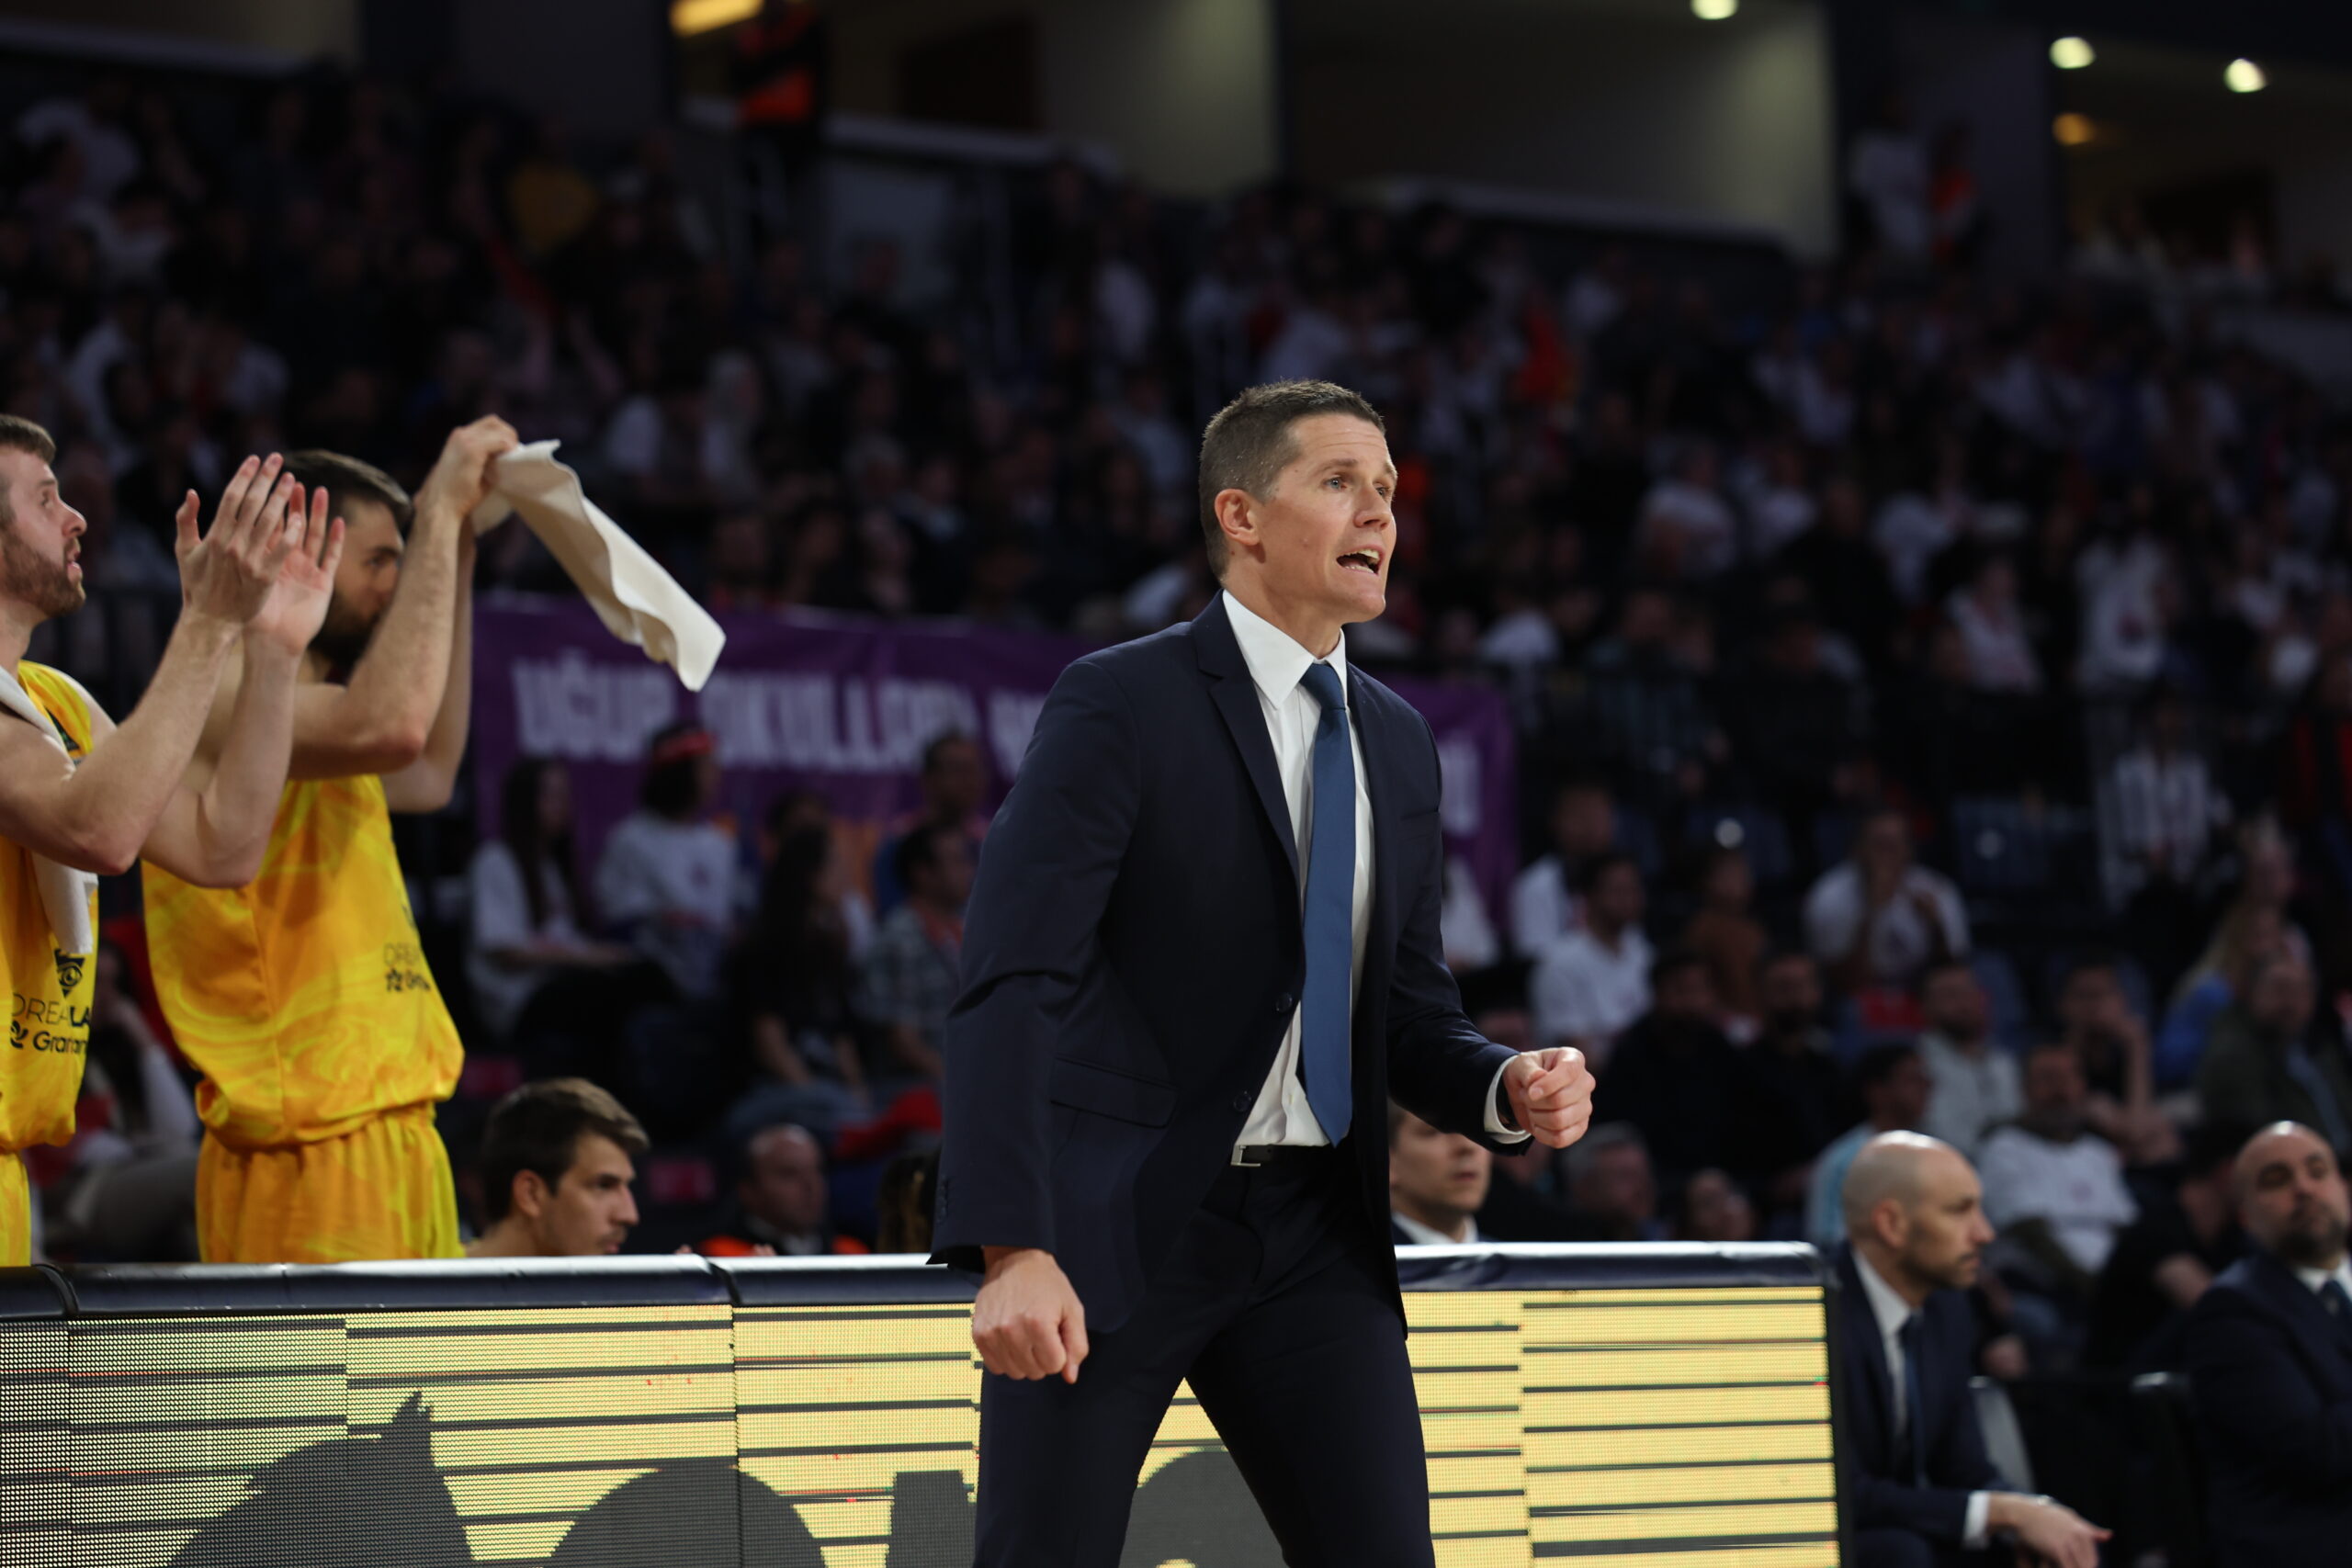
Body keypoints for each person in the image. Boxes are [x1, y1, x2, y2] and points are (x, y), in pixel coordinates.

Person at [933, 380, 1594, 1567]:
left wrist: (1502, 1086)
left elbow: (1407, 1007)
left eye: (1386, 489)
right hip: (1116, 1224)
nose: (1379, 514)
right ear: (1240, 515)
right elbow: (1011, 979)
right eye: (1340, 483)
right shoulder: (1120, 699)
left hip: (1315, 1230)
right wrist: (1010, 1244)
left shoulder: (1399, 737)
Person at [144, 418, 518, 1264]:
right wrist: (439, 512)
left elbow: (431, 766)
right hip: (305, 1147)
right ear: (299, 550)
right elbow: (392, 725)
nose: (396, 584)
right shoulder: (225, 688)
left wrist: (455, 547)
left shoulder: (322, 721)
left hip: (394, 1127)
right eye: (380, 560)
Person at [1, 423, 338, 1266]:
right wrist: (206, 622)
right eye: (45, 498)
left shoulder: (58, 702)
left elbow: (223, 847)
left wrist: (269, 650)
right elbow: (101, 833)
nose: (78, 517)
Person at [1833, 1132, 2110, 1568]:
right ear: (1891, 1224)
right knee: (1901, 1553)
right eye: (1959, 1211)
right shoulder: (1812, 1318)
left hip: (1901, 1527)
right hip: (1823, 1541)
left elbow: (1965, 1469)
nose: (1985, 1233)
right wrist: (2005, 1513)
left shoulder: (1949, 1307)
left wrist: (2034, 1514)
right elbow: (1841, 1493)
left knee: (2054, 1545)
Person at [2186, 1122, 2352, 1568]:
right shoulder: (2231, 1311)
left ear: (2344, 1188)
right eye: (2277, 1180)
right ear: (2244, 1214)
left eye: (2317, 1171)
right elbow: (2321, 1451)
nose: (2304, 1188)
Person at [466, 756, 643, 1045]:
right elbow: (505, 951)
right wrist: (587, 957)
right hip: (517, 1000)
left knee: (636, 979)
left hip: (558, 987)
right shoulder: (496, 861)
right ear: (524, 801)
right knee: (605, 993)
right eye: (551, 795)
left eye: (565, 795)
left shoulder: (552, 866)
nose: (562, 806)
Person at [1978, 1042, 2138, 1313]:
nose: (2061, 1090)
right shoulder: (2003, 1147)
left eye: (2069, 1077)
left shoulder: (2098, 1152)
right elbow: (2032, 1236)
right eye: (2048, 1078)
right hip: (2045, 1287)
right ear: (2025, 1088)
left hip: (2110, 1287)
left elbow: (2126, 1228)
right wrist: (2097, 1289)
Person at [594, 719, 738, 1003]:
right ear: (681, 773)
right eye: (706, 766)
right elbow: (621, 926)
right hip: (652, 990)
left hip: (714, 986)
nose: (716, 775)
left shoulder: (719, 844)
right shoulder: (632, 840)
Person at [2086, 1122, 2244, 1371]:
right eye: (2271, 1177)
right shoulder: (2156, 1229)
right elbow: (2212, 1306)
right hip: (2119, 1384)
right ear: (2228, 1172)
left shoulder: (2230, 1238)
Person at [466, 1077, 649, 1258]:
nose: (629, 1215)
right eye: (603, 1186)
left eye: (627, 1187)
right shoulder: (447, 1275)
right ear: (531, 1194)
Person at [1602, 950, 1744, 1184]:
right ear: (1657, 994)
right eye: (1681, 991)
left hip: (1722, 1176)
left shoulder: (1719, 1048)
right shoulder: (1631, 1054)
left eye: (1699, 990)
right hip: (1658, 1182)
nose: (1693, 1002)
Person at [1737, 950, 1853, 1225]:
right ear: (1760, 994)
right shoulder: (1736, 1069)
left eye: (1802, 986)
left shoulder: (1831, 1069)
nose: (1795, 999)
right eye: (1783, 987)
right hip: (1764, 1211)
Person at [1803, 806, 1969, 994]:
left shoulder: (1936, 889)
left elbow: (1953, 971)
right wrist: (1871, 914)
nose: (1888, 853)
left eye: (1896, 844)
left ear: (1910, 850)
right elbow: (1841, 983)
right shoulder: (1828, 896)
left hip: (1920, 996)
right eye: (1880, 844)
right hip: (1858, 999)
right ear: (1858, 849)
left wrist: (1936, 928)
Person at [854, 819, 971, 1084]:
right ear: (923, 873)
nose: (969, 870)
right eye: (956, 861)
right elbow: (902, 1044)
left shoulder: (969, 928)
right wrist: (962, 1083)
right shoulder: (897, 940)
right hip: (919, 1085)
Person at [2199, 953, 2352, 1153]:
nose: (2291, 1001)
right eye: (2280, 989)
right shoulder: (2233, 1056)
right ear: (2252, 992)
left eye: (2302, 990)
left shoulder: (2319, 1045)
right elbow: (2259, 1138)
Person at [1529, 852, 1652, 1066]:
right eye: (1617, 891)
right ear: (1588, 897)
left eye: (1633, 889)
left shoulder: (1642, 950)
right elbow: (1574, 1054)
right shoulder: (1559, 962)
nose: (1628, 899)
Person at [1806, 1044, 1932, 1251]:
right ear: (1877, 1092)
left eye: (1925, 1079)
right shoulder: (1842, 1161)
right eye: (1912, 1080)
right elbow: (1829, 1243)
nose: (1925, 1087)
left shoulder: (1936, 1152)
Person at [703, 1122, 871, 1257]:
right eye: (789, 1174)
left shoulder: (849, 1252)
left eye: (817, 1170)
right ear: (749, 1190)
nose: (810, 1186)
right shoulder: (722, 1258)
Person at [871, 730, 989, 916]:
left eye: (975, 770)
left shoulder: (989, 841)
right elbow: (891, 913)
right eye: (958, 770)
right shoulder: (899, 842)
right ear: (929, 779)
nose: (970, 780)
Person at [1915, 961, 2019, 1160]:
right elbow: (1938, 1135)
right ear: (1926, 1006)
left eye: (1968, 992)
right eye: (1950, 995)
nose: (1963, 1003)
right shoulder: (1920, 1066)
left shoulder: (2004, 1062)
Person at [1507, 776, 1615, 957]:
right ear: (1555, 821)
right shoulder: (1534, 886)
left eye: (1599, 815)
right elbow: (1536, 959)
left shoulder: (1622, 881)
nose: (1591, 827)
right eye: (1581, 816)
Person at [1387, 1103, 1491, 1246]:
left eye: (1478, 1128)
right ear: (1386, 1162)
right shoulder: (1361, 1258)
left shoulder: (1513, 1257)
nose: (1467, 1145)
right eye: (1434, 1131)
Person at [1562, 1122, 1663, 1242]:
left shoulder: (1666, 1237)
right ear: (1585, 1187)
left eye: (1643, 1174)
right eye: (1625, 1177)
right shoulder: (1560, 1245)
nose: (1642, 1187)